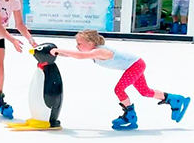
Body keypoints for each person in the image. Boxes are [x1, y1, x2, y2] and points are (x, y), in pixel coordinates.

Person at [51, 30, 190, 129]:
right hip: (136, 64)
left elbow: (79, 56)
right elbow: (73, 54)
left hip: (135, 65)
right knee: (145, 91)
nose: (77, 46)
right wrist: (55, 52)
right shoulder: (93, 52)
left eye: (79, 43)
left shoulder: (100, 51)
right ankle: (176, 99)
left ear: (90, 42)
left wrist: (59, 50)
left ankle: (130, 115)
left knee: (119, 89)